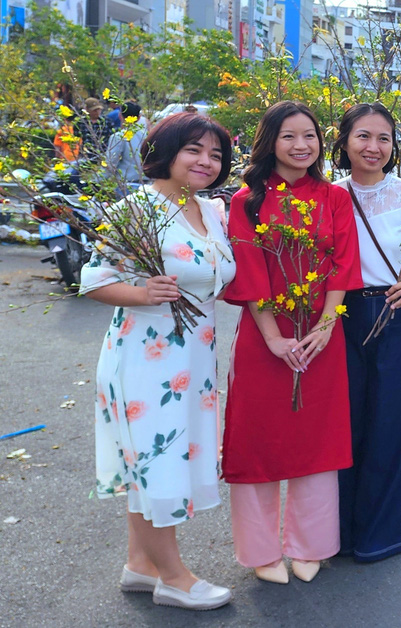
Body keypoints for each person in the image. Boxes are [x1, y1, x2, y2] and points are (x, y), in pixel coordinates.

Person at [80, 112, 236, 610]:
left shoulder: (209, 210)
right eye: (194, 149)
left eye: (215, 154)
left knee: (155, 459)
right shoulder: (137, 210)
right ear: (165, 151)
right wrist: (143, 292)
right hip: (146, 361)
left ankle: (140, 564)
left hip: (192, 359)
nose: (206, 161)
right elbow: (94, 279)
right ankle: (173, 576)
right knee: (157, 461)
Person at [222, 101, 362, 585]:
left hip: (323, 333)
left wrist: (324, 328)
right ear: (269, 142)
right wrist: (274, 338)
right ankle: (261, 551)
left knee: (315, 442)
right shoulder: (246, 201)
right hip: (265, 338)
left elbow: (344, 265)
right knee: (259, 440)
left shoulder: (334, 198)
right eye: (289, 136)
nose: (302, 145)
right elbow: (249, 270)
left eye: (310, 136)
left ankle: (311, 545)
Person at [330, 103, 401, 562]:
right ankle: (336, 534)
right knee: (345, 428)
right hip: (342, 316)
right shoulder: (328, 194)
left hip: (398, 316)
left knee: (393, 428)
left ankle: (382, 536)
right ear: (343, 142)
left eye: (384, 139)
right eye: (363, 136)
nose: (374, 147)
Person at [106, 102, 145, 190]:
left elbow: (111, 163)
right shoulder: (148, 135)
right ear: (139, 118)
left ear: (120, 116)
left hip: (126, 182)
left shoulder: (118, 137)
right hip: (146, 182)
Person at [78, 97, 113, 162]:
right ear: (87, 109)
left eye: (98, 109)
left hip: (103, 156)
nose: (97, 112)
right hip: (86, 157)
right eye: (94, 110)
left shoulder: (107, 122)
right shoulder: (81, 123)